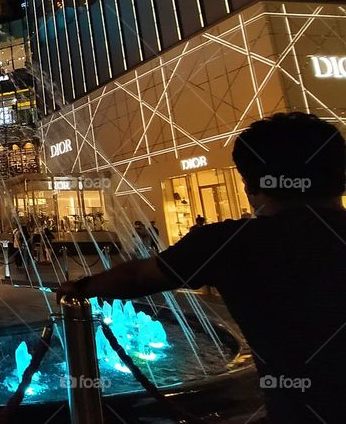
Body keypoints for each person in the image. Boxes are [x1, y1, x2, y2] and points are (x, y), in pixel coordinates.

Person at [59, 113, 346, 423]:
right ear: (340, 177)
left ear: (249, 184)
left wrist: (79, 288)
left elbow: (137, 277)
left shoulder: (231, 244)